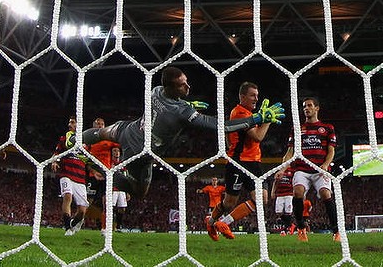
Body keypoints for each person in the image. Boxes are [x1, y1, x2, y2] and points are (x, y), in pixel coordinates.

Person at [73, 66, 284, 199]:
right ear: (173, 89)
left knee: (102, 132)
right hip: (141, 153)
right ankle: (94, 165)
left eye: (186, 83)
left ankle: (74, 141)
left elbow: (169, 105)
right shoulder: (183, 112)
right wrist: (257, 118)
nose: (188, 87)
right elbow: (221, 126)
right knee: (139, 193)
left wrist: (188, 102)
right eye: (183, 86)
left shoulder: (156, 90)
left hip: (129, 129)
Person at [206, 82, 278, 241]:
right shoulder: (239, 113)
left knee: (262, 199)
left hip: (254, 163)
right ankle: (210, 222)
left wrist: (262, 117)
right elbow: (258, 136)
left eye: (257, 96)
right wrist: (267, 120)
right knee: (229, 203)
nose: (256, 98)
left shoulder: (250, 114)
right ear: (242, 96)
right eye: (253, 95)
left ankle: (223, 223)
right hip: (238, 163)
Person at [280, 97, 339, 242]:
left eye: (309, 106)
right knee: (298, 191)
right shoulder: (297, 129)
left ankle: (336, 231)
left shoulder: (327, 128)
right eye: (304, 106)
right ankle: (301, 228)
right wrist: (282, 168)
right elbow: (290, 152)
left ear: (317, 108)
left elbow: (331, 151)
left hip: (320, 169)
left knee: (326, 193)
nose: (306, 108)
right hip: (302, 169)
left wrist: (325, 164)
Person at [52, 116, 96, 236]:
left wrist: (94, 171)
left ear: (79, 124)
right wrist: (55, 161)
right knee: (67, 196)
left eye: (72, 122)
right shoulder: (64, 138)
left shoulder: (86, 141)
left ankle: (72, 223)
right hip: (66, 173)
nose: (69, 124)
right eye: (69, 122)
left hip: (80, 178)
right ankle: (67, 227)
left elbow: (88, 160)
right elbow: (56, 153)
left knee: (82, 210)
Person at [85, 117, 120, 232]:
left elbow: (118, 150)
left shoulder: (109, 141)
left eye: (102, 124)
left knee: (106, 203)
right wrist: (93, 172)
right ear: (93, 126)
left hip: (106, 176)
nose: (100, 125)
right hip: (92, 176)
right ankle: (77, 223)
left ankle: (104, 229)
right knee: (85, 203)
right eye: (98, 124)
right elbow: (86, 161)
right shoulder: (88, 141)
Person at [110, 146, 129, 231]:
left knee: (122, 208)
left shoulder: (122, 164)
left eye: (118, 151)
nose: (116, 152)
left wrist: (127, 191)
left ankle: (118, 226)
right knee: (111, 207)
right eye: (114, 151)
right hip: (113, 189)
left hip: (122, 190)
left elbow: (126, 178)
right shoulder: (109, 163)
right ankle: (109, 225)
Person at [271, 167, 294, 235]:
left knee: (288, 212)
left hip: (289, 194)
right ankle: (291, 225)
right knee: (278, 212)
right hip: (280, 194)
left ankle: (286, 230)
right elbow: (275, 182)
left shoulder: (292, 171)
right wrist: (273, 191)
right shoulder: (280, 171)